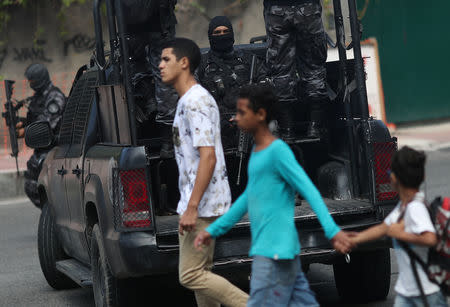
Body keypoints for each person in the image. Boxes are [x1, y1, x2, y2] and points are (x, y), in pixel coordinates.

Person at [194, 84, 353, 306]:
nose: (235, 118)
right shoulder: (258, 153)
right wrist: (213, 231)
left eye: (241, 112)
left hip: (274, 253)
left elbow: (309, 191)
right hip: (273, 251)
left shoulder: (277, 152)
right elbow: (247, 199)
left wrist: (332, 230)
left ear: (260, 115)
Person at [159, 37, 249, 307]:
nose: (160, 65)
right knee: (203, 274)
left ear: (184, 63)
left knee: (191, 274)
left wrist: (192, 206)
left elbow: (207, 157)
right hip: (201, 202)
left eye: (166, 59)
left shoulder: (195, 102)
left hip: (202, 206)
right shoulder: (191, 99)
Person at [350, 146, 447, 307]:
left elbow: (430, 238)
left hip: (427, 294)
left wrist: (400, 234)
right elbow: (383, 228)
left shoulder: (415, 208)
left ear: (393, 179)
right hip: (407, 292)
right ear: (422, 177)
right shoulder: (402, 208)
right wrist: (353, 239)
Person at [196, 15, 267, 149]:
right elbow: (195, 99)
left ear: (232, 34)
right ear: (210, 36)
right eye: (217, 32)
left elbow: (265, 89)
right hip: (216, 126)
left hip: (249, 122)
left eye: (225, 31)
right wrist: (220, 119)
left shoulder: (249, 60)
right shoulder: (202, 65)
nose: (222, 35)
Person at [263, 0, 329, 139]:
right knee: (313, 66)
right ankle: (315, 126)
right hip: (307, 8)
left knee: (280, 69)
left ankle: (287, 129)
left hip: (277, 10)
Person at [121, 0, 179, 156]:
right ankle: (168, 138)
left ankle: (151, 104)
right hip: (157, 28)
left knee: (137, 72)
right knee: (165, 79)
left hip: (131, 31)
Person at [16, 63, 66, 208]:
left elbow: (46, 124)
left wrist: (24, 131)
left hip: (55, 148)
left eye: (32, 81)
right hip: (42, 148)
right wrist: (21, 124)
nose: (30, 84)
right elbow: (35, 119)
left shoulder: (55, 96)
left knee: (38, 181)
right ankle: (50, 212)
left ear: (40, 79)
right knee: (31, 182)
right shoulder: (38, 97)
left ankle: (55, 211)